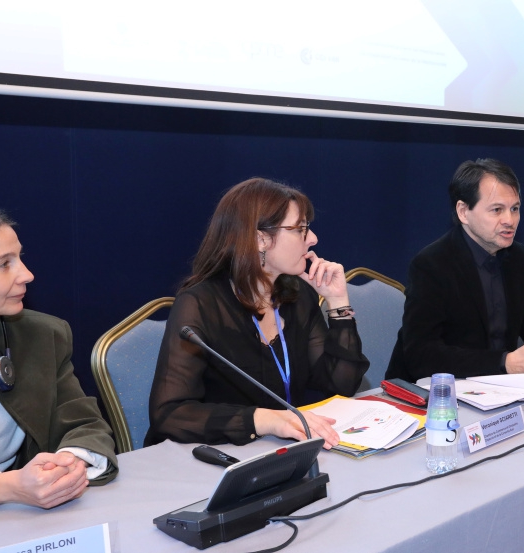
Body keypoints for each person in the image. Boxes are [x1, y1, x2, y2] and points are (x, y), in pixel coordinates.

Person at [0, 200, 117, 520]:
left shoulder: (41, 336)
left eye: (20, 258)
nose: (27, 275)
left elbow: (84, 424)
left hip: (20, 517)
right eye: (4, 265)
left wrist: (68, 463)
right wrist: (3, 487)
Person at [146, 178, 368, 449]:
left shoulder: (297, 295)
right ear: (260, 239)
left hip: (284, 451)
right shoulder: (201, 304)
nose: (313, 239)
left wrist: (338, 302)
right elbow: (169, 414)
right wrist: (264, 420)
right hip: (215, 456)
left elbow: (342, 385)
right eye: (300, 229)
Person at [385, 158, 524, 384]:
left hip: (498, 387)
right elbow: (422, 356)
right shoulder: (432, 264)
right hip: (430, 391)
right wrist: (504, 362)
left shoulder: (516, 256)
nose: (510, 220)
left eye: (515, 209)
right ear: (463, 211)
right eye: (497, 210)